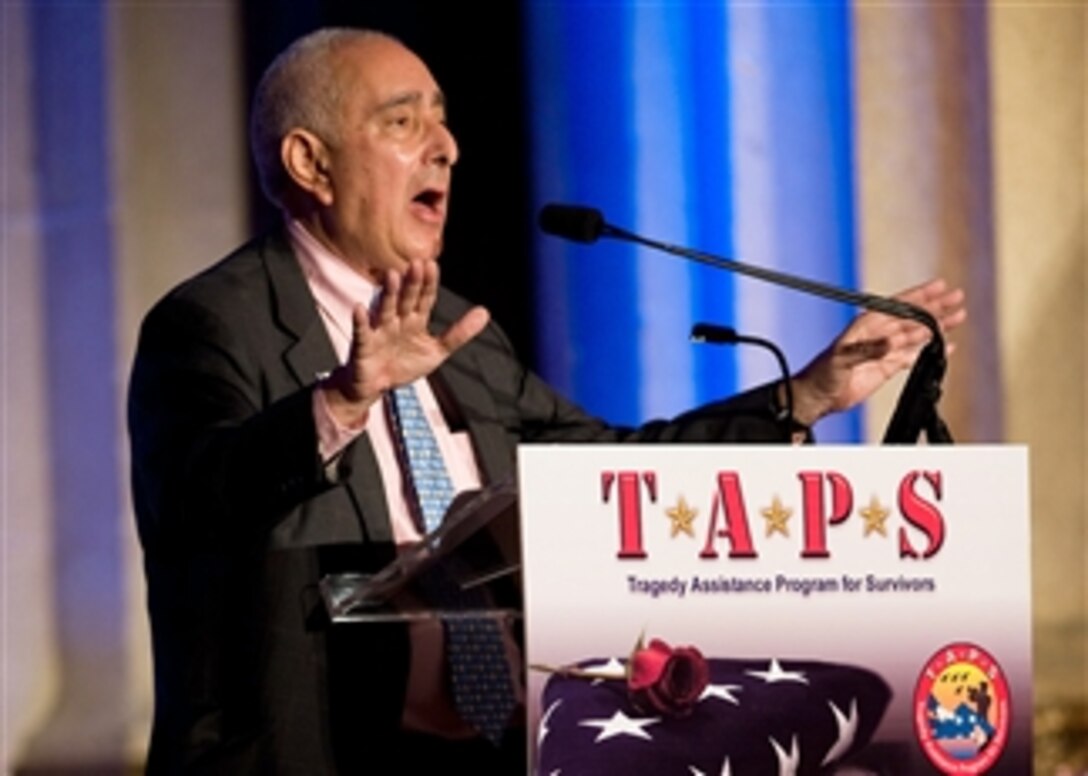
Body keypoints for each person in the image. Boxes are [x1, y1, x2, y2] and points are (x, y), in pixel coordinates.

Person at [127, 27, 965, 775]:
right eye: (402, 122)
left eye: (444, 119)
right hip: (322, 750)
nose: (447, 146)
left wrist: (804, 397)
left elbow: (610, 466)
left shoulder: (460, 331)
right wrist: (343, 398)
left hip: (505, 746)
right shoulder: (210, 326)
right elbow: (199, 504)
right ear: (309, 163)